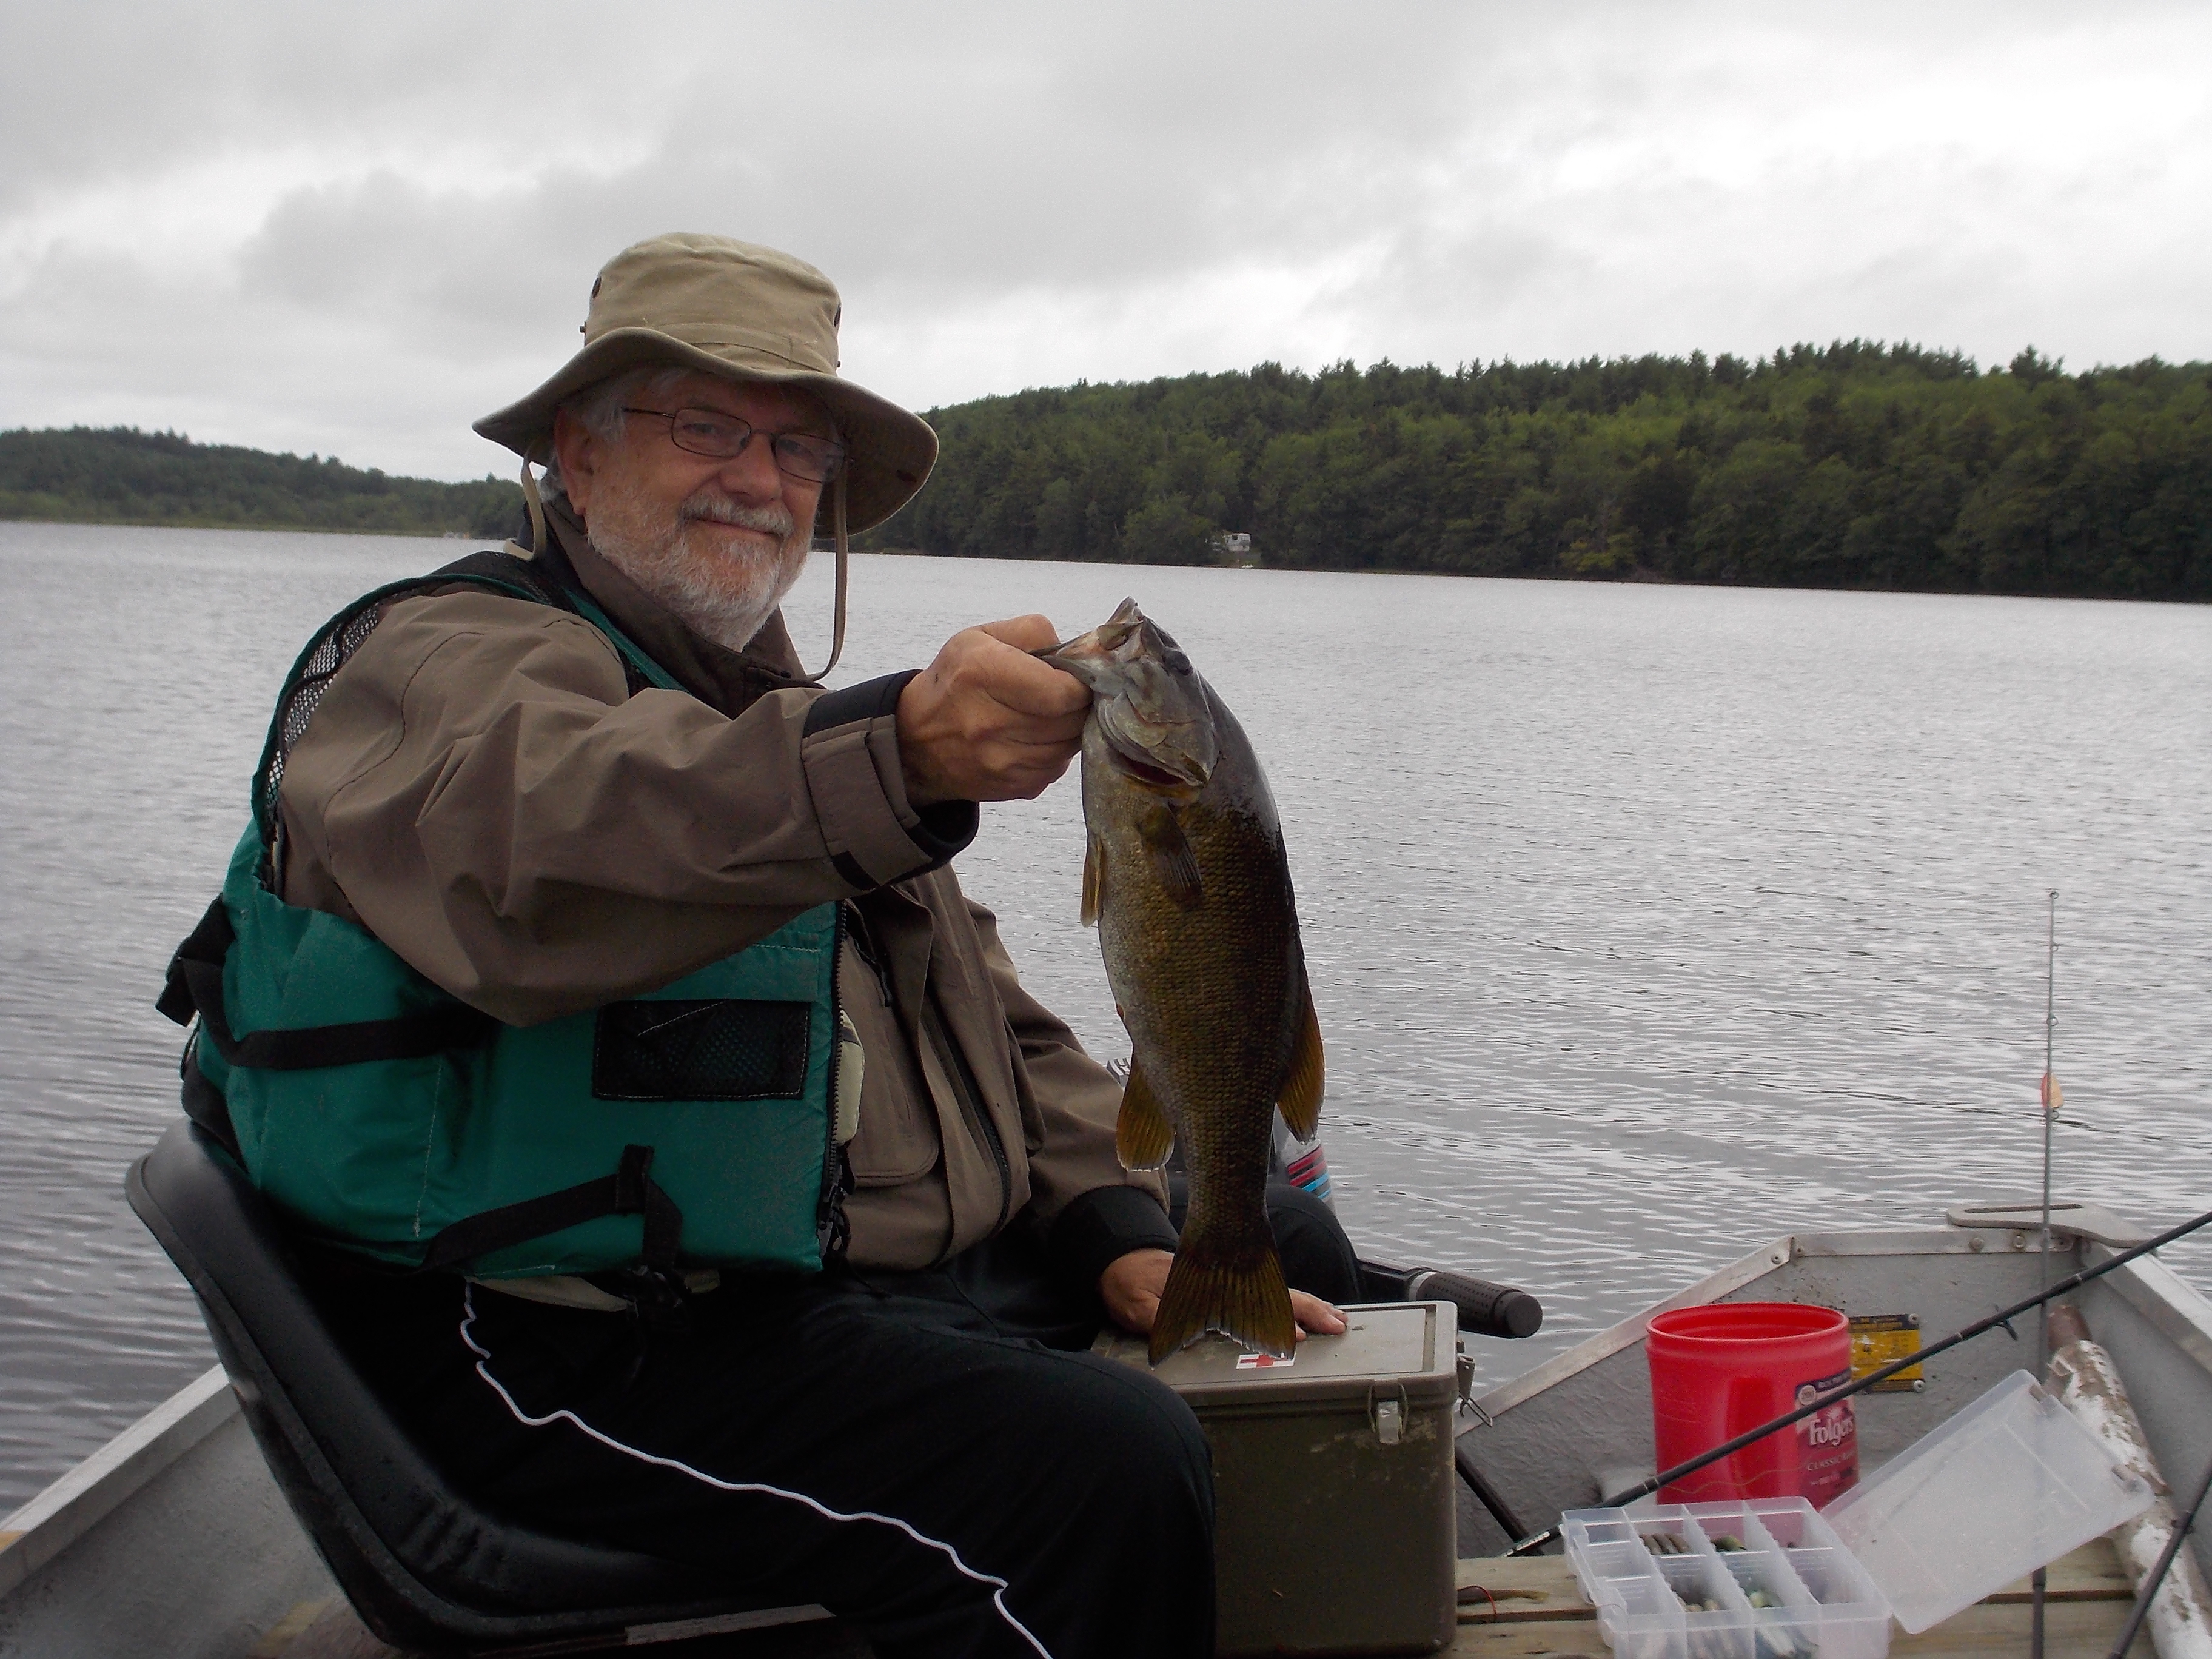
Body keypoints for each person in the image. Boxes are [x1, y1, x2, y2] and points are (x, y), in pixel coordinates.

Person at [163, 233, 1361, 1659]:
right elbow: (560, 841)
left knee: (1287, 1241)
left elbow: (983, 1014)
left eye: (798, 450)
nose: (759, 477)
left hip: (782, 1283)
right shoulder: (436, 665)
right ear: (576, 452)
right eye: (707, 426)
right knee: (1098, 1468)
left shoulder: (762, 705)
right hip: (549, 1335)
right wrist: (898, 753)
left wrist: (1111, 1221)